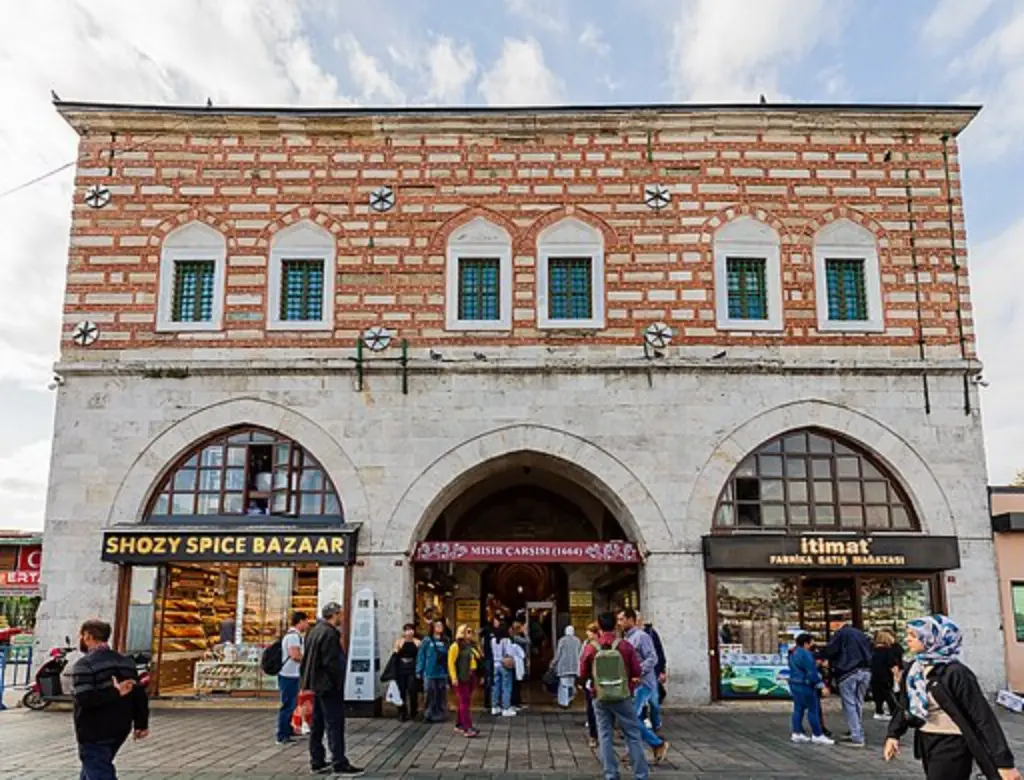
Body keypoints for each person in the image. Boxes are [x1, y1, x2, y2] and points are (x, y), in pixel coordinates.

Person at [884, 615, 1020, 780]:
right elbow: (905, 704)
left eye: (914, 636)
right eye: (908, 634)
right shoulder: (915, 669)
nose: (908, 640)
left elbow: (983, 717)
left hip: (953, 742)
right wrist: (893, 734)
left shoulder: (956, 673)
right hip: (926, 739)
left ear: (932, 639)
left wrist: (1004, 763)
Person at [72, 618, 150, 780]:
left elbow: (84, 698)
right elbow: (138, 694)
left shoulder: (85, 664)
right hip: (120, 726)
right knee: (95, 765)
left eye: (80, 635)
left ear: (88, 636)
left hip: (94, 728)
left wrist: (115, 692)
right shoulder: (125, 662)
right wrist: (141, 723)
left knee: (98, 768)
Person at [580, 612, 650, 780]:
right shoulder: (625, 646)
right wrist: (630, 685)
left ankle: (611, 773)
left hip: (600, 695)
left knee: (604, 734)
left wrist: (591, 686)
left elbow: (582, 672)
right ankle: (640, 774)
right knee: (632, 734)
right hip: (622, 694)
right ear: (615, 625)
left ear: (599, 626)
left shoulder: (591, 647)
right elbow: (636, 670)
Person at [300, 602, 363, 777]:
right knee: (335, 723)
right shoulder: (329, 633)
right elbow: (331, 662)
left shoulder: (313, 631)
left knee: (317, 723)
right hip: (328, 685)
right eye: (340, 614)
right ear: (334, 614)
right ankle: (339, 761)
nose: (342, 617)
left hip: (316, 683)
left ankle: (317, 760)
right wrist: (338, 681)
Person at [618, 608, 670, 764]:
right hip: (633, 684)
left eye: (621, 619)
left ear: (630, 620)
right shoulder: (627, 638)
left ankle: (657, 743)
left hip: (642, 684)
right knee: (635, 717)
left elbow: (652, 658)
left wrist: (637, 671)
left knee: (631, 718)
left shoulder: (641, 637)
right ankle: (633, 750)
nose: (619, 623)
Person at [821, 622, 873, 748]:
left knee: (849, 704)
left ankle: (857, 736)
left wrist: (820, 656)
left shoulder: (841, 634)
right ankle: (856, 730)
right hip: (865, 670)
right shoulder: (862, 634)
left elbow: (831, 651)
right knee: (858, 702)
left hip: (848, 671)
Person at [788, 632, 833, 746]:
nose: (813, 643)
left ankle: (796, 732)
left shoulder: (793, 653)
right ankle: (817, 734)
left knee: (798, 709)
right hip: (805, 685)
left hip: (794, 683)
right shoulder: (806, 654)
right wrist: (821, 685)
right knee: (813, 709)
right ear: (806, 643)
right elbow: (811, 673)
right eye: (811, 641)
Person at [277, 611, 309, 745]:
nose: (307, 624)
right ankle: (282, 734)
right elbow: (295, 655)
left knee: (292, 703)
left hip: (290, 674)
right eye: (306, 621)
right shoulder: (293, 636)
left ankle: (288, 729)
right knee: (289, 705)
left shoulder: (292, 635)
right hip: (289, 674)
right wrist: (308, 660)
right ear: (300, 621)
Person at [448, 623, 481, 737]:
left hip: (471, 675)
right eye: (468, 631)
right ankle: (467, 727)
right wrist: (453, 677)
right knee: (464, 701)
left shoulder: (471, 645)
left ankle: (460, 724)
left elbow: (478, 657)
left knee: (465, 700)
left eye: (471, 632)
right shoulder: (455, 646)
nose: (470, 634)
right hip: (461, 677)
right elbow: (451, 662)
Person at [417, 619, 450, 723]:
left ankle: (440, 715)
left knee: (441, 694)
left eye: (441, 625)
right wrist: (419, 670)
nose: (439, 627)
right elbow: (421, 656)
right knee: (429, 694)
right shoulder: (427, 640)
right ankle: (428, 714)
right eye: (437, 625)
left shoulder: (446, 640)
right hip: (429, 672)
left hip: (442, 672)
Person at [871, 630, 903, 722]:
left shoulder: (873, 650)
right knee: (889, 694)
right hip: (885, 676)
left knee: (878, 695)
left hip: (874, 676)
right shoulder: (887, 651)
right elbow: (893, 665)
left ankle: (879, 711)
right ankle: (894, 712)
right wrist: (897, 676)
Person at [642, 621, 667, 732]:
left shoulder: (651, 633)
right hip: (637, 675)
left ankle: (656, 723)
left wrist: (662, 670)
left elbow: (659, 653)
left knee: (654, 701)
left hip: (651, 673)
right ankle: (641, 724)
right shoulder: (627, 634)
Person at [393, 623, 420, 722]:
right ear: (404, 632)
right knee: (401, 691)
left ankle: (414, 711)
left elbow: (420, 657)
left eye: (411, 629)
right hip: (401, 668)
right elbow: (395, 656)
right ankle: (402, 712)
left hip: (412, 668)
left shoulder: (417, 642)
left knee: (412, 690)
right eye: (407, 630)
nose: (409, 632)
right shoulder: (399, 642)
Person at [490, 621, 517, 717]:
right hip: (505, 666)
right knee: (506, 687)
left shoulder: (493, 640)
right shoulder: (507, 640)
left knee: (496, 686)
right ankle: (506, 708)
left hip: (495, 665)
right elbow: (509, 653)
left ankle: (495, 707)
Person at [552, 625, 582, 708]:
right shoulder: (577, 640)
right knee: (570, 684)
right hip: (574, 667)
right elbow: (580, 653)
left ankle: (564, 702)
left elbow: (558, 654)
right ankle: (570, 698)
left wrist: (553, 662)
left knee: (563, 684)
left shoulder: (562, 640)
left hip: (563, 666)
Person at [582, 622, 601, 749]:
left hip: (592, 681)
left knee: (592, 709)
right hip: (606, 681)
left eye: (589, 632)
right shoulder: (611, 644)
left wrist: (582, 680)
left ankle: (594, 736)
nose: (587, 634)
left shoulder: (589, 646)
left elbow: (583, 664)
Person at [510, 618, 531, 710]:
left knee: (516, 683)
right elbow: (528, 641)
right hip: (517, 663)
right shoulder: (516, 637)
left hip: (517, 662)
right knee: (516, 683)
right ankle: (515, 702)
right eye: (519, 627)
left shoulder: (514, 637)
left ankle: (516, 702)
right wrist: (525, 632)